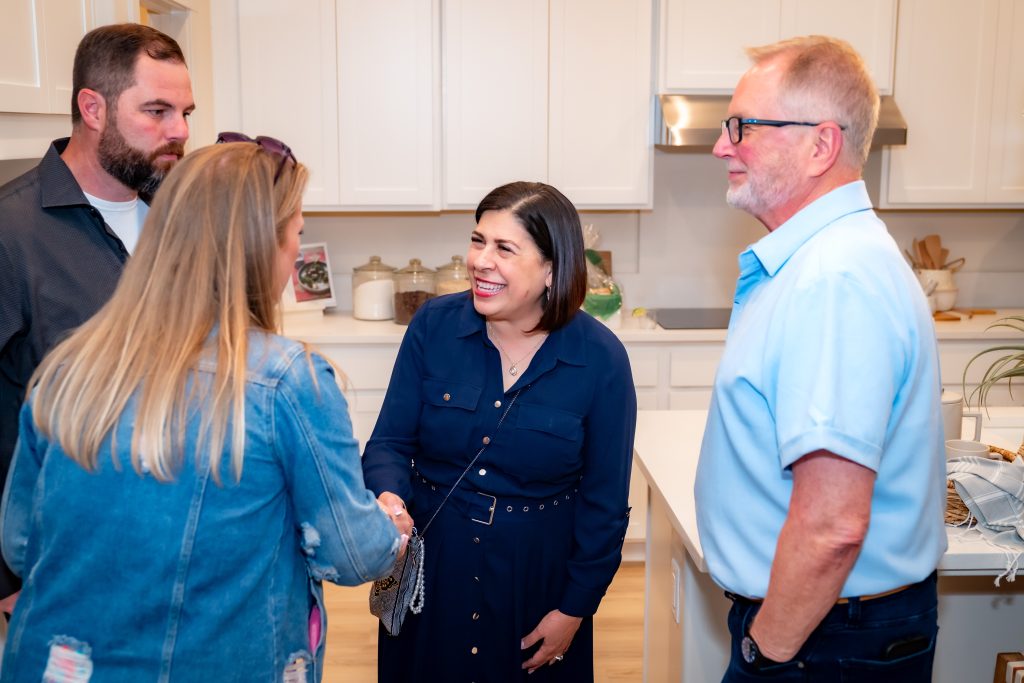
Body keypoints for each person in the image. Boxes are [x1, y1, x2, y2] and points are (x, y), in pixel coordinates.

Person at [0, 138, 404, 681]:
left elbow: (21, 543)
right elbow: (352, 555)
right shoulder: (288, 381)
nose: (295, 254)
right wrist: (389, 525)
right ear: (264, 248)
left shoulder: (72, 363)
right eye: (296, 236)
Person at [694, 35, 946, 681]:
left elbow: (833, 524)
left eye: (742, 127)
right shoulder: (823, 261)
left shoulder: (835, 277)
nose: (722, 145)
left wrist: (764, 650)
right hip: (826, 626)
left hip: (822, 639)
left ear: (820, 145)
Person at [362, 181, 637, 682]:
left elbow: (605, 504)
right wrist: (389, 500)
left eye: (504, 248)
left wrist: (575, 609)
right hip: (432, 568)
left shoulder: (601, 360)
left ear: (553, 268)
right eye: (477, 241)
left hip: (537, 578)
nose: (480, 261)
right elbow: (390, 443)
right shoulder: (433, 326)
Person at [0, 22, 194, 601]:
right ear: (93, 108)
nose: (179, 131)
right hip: (60, 564)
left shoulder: (179, 214)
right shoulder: (13, 232)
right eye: (157, 111)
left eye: (186, 112)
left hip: (174, 548)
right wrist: (6, 577)